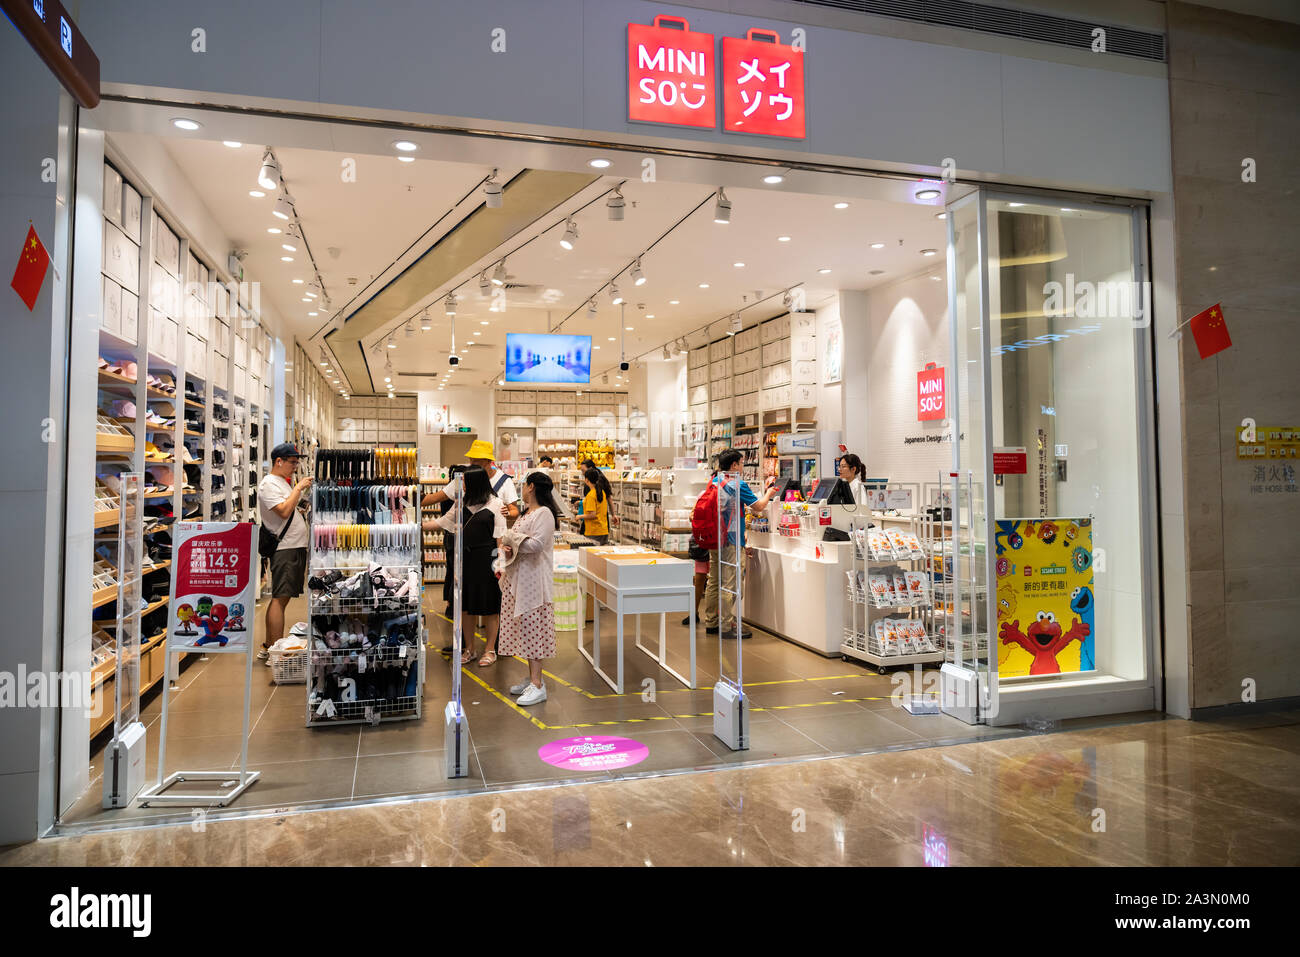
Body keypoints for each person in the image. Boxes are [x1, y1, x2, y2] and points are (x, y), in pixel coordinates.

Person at [701, 448, 779, 639]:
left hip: (715, 537)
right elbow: (759, 507)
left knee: (714, 581)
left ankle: (711, 622)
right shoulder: (738, 483)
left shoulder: (715, 481)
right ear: (734, 465)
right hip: (732, 540)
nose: (743, 466)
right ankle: (726, 626)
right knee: (731, 582)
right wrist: (769, 493)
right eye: (742, 463)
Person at [498, 472, 561, 705]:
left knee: (534, 629)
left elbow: (536, 545)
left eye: (524, 485)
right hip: (520, 579)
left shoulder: (544, 513)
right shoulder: (527, 513)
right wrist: (510, 544)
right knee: (524, 629)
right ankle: (533, 678)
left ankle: (537, 684)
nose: (521, 490)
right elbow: (519, 540)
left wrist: (511, 540)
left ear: (531, 487)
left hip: (534, 582)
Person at [257, 442, 311, 661]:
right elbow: (282, 511)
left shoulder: (280, 482)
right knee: (280, 598)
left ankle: (270, 646)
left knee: (284, 597)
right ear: (278, 461)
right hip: (285, 548)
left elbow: (288, 510)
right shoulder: (268, 484)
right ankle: (275, 653)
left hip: (293, 546)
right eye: (292, 462)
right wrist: (298, 489)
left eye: (296, 462)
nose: (295, 466)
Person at [454, 466, 504, 667]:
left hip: (487, 560)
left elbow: (500, 536)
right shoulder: (462, 503)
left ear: (475, 483)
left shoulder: (496, 504)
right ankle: (470, 648)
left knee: (490, 606)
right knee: (466, 607)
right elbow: (453, 529)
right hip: (466, 559)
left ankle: (490, 649)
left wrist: (500, 565)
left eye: (465, 481)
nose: (463, 485)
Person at [420, 439, 519, 523]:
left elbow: (514, 510)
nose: (472, 464)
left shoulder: (504, 481)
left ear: (489, 461)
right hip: (465, 538)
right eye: (471, 460)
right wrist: (409, 496)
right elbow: (434, 498)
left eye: (477, 461)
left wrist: (507, 514)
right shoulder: (462, 478)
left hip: (492, 538)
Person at [577, 466, 610, 544]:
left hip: (593, 531)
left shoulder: (591, 495)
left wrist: (579, 516)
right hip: (603, 530)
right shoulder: (602, 492)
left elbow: (592, 515)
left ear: (587, 480)